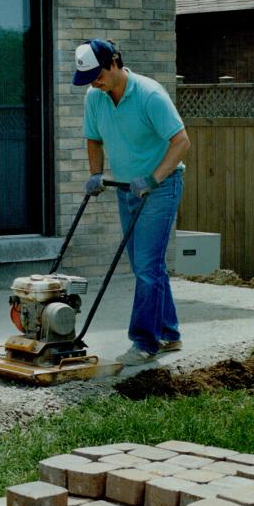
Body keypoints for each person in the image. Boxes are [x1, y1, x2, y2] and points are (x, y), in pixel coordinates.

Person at [73, 38, 190, 366]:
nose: (94, 83)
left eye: (98, 75)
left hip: (160, 186)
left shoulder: (149, 95)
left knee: (147, 267)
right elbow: (93, 139)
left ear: (113, 62)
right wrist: (96, 174)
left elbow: (181, 142)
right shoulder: (95, 97)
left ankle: (144, 343)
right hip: (126, 187)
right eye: (89, 79)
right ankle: (169, 332)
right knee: (145, 265)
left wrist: (153, 179)